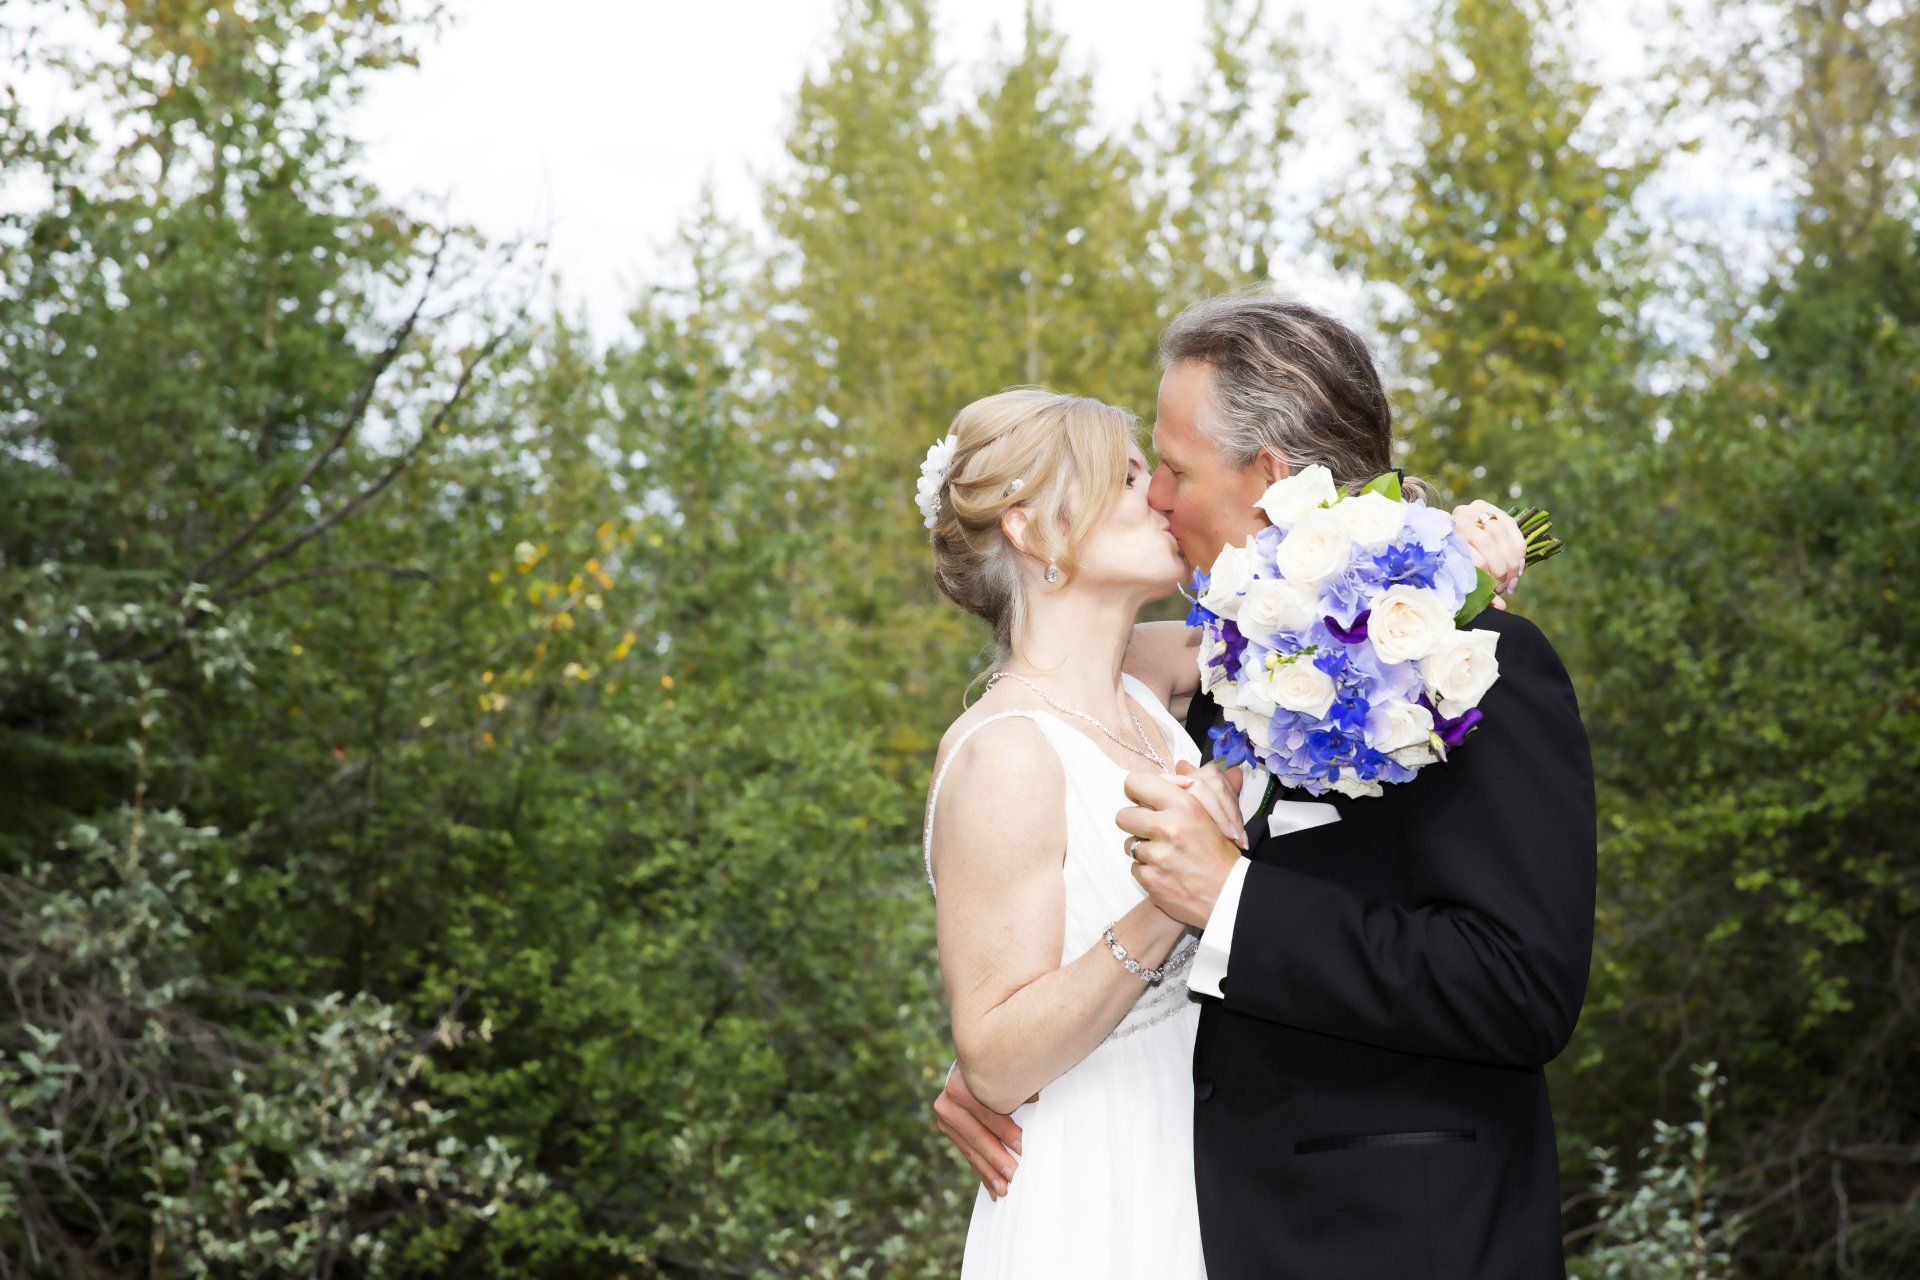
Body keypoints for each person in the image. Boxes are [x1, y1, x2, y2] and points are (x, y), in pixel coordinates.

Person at [922, 296, 1569, 1277]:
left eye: (1167, 470)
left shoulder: (1456, 663)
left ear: (1268, 475)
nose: (1158, 499)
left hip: (1395, 1237)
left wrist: (1221, 897)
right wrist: (1004, 1056)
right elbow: (1023, 975)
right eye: (1137, 476)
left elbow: (1518, 983)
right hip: (1161, 1201)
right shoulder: (1208, 677)